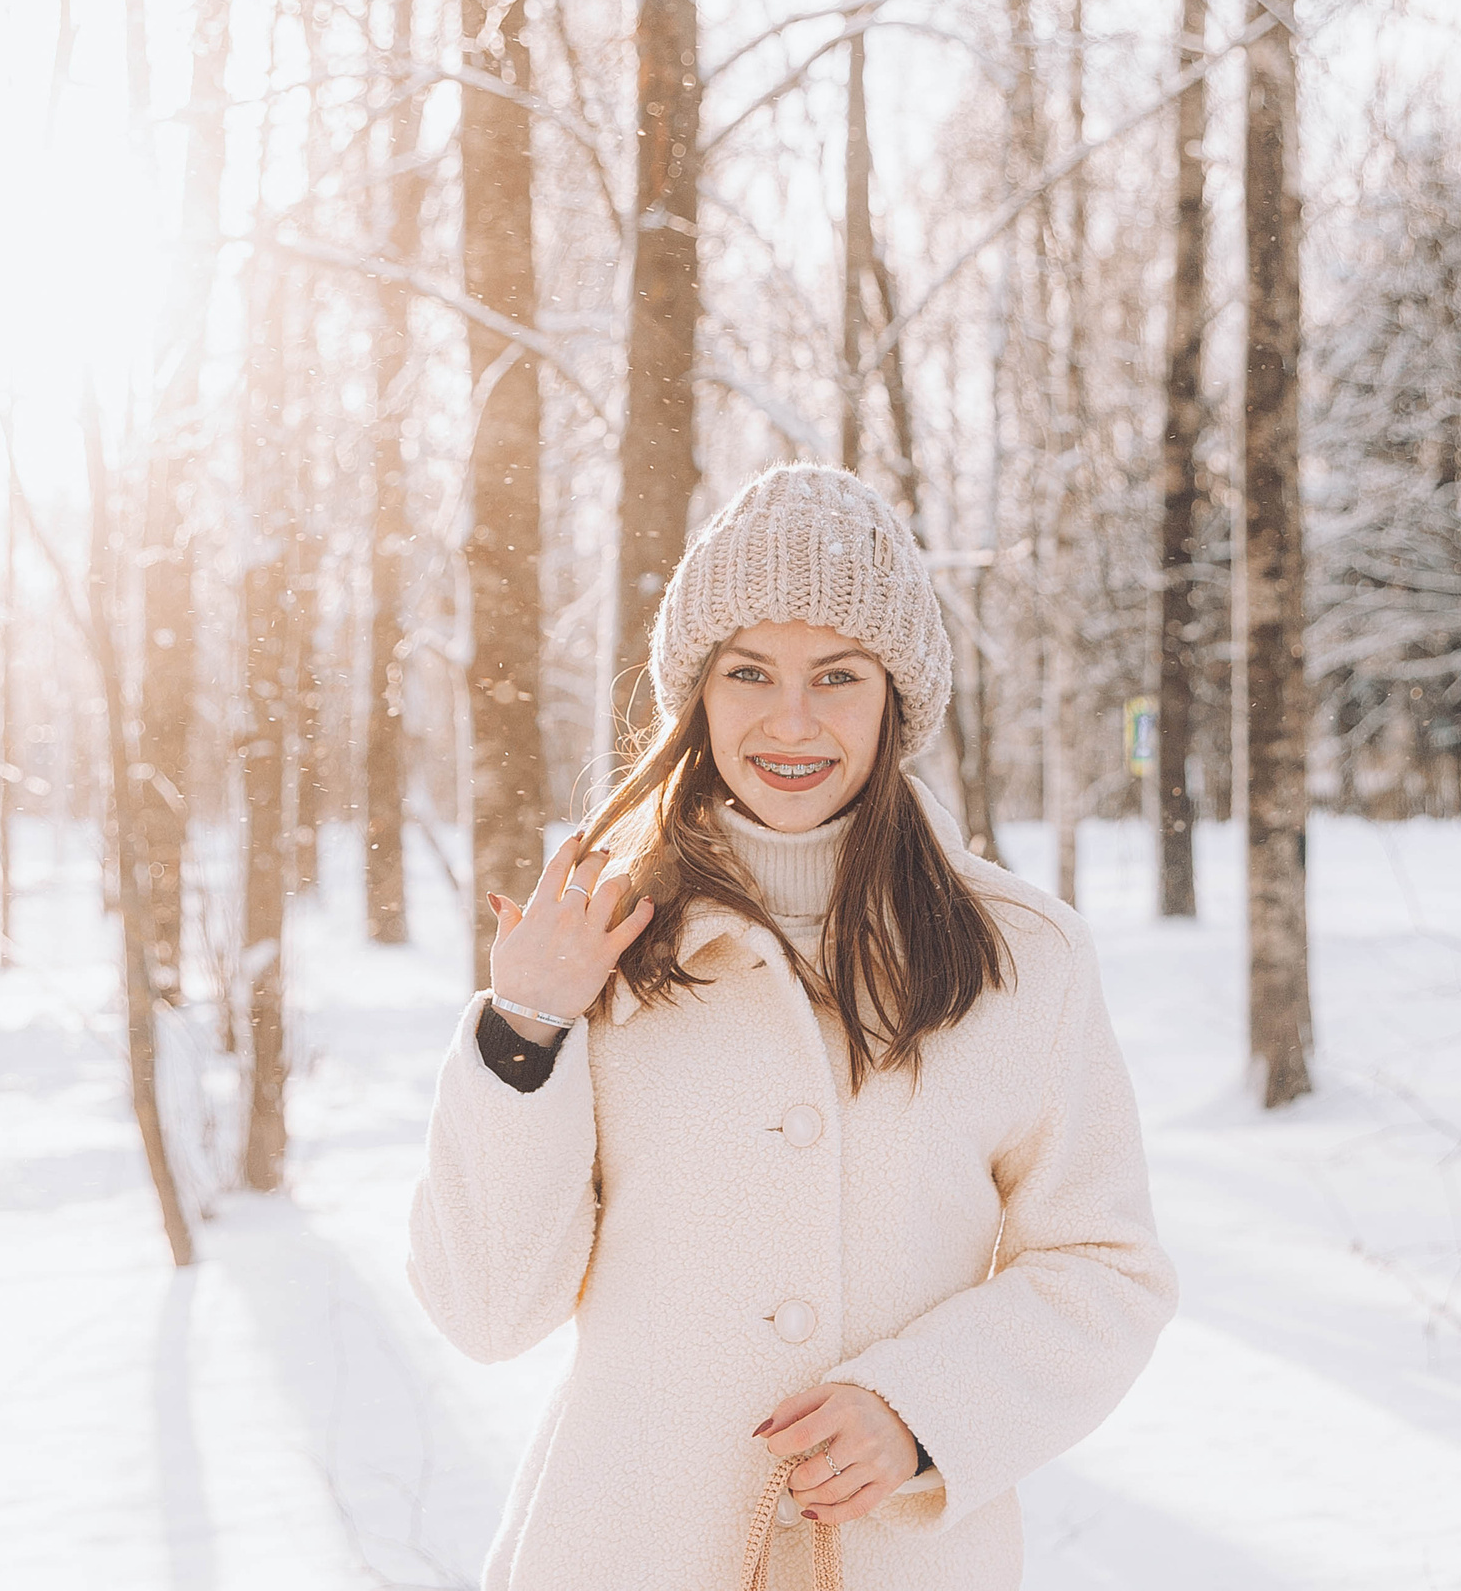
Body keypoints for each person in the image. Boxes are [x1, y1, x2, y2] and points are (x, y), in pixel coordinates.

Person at [408, 463, 1175, 1590]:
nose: (792, 719)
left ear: (894, 700)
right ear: (697, 697)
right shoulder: (602, 939)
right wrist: (527, 1026)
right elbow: (486, 1312)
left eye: (838, 675)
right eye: (749, 672)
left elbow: (1105, 1268)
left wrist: (922, 1412)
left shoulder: (1023, 955)